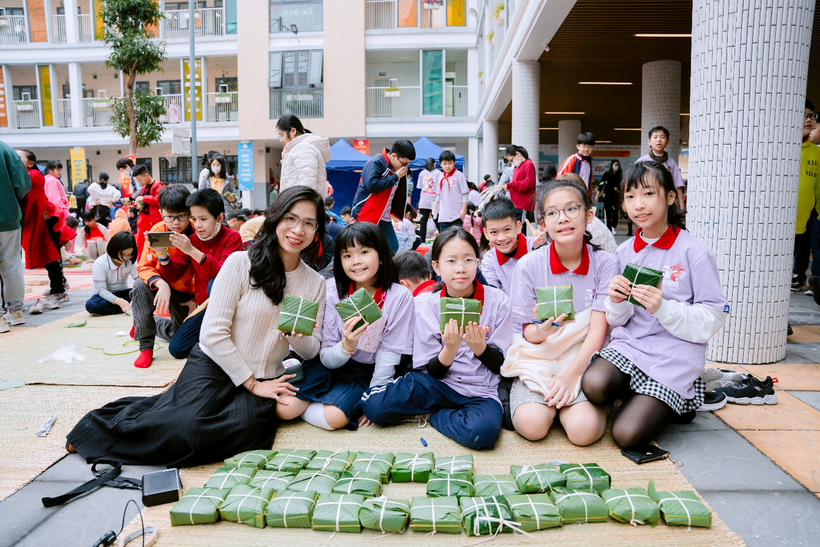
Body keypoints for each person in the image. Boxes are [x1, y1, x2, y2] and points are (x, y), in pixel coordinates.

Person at [66, 186, 328, 467]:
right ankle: (98, 430)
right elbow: (213, 334)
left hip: (266, 377)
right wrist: (251, 384)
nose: (298, 229)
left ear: (316, 230)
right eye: (291, 218)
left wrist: (294, 335)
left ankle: (168, 405)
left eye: (309, 222)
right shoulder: (241, 263)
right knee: (183, 430)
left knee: (246, 435)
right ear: (276, 219)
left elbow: (311, 349)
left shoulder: (315, 283)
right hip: (216, 364)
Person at [582, 161, 728, 449]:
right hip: (632, 346)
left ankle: (677, 399)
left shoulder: (694, 251)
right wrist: (615, 301)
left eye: (649, 194)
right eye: (631, 196)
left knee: (626, 436)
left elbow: (713, 316)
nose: (639, 205)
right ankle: (649, 396)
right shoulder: (624, 252)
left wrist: (663, 308)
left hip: (674, 357)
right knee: (594, 385)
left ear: (670, 197)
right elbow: (619, 320)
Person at [362, 227, 510, 450]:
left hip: (481, 390)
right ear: (436, 267)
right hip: (437, 384)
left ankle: (434, 415)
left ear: (477, 262)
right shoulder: (424, 304)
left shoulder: (498, 301)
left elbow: (502, 366)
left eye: (468, 260)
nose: (460, 268)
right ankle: (435, 407)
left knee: (482, 435)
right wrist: (449, 349)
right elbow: (432, 371)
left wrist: (479, 347)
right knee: (375, 407)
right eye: (451, 261)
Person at [503, 179, 616, 444]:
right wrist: (541, 330)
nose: (562, 219)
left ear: (589, 215)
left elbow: (598, 329)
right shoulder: (528, 265)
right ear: (543, 224)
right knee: (532, 426)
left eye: (571, 209)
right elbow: (526, 333)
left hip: (584, 357)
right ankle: (546, 404)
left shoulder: (605, 263)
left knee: (583, 432)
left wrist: (569, 377)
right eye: (552, 213)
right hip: (540, 356)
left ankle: (568, 405)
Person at [279, 222, 414, 430]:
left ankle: (333, 404)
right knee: (284, 409)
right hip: (328, 362)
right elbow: (325, 357)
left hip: (366, 371)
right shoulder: (331, 290)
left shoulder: (400, 296)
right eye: (347, 255)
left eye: (364, 251)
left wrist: (373, 397)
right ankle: (321, 402)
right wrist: (347, 345)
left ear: (381, 254)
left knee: (335, 419)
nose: (356, 262)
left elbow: (389, 355)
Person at [157, 189, 244, 359]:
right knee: (177, 349)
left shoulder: (232, 237)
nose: (197, 225)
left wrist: (193, 251)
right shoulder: (193, 240)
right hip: (205, 308)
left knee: (214, 284)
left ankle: (213, 338)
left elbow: (224, 274)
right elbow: (173, 275)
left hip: (231, 307)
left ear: (219, 217)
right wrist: (162, 255)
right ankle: (161, 325)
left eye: (203, 219)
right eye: (194, 219)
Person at [131, 185, 194, 369]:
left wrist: (196, 300)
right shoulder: (157, 230)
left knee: (179, 341)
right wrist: (160, 283)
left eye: (182, 216)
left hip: (186, 292)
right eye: (170, 216)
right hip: (161, 285)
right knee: (139, 286)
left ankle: (145, 322)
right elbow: (143, 266)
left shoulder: (196, 230)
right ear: (161, 213)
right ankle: (145, 346)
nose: (176, 222)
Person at [17, 149, 71, 315]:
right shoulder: (37, 176)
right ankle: (60, 284)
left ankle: (59, 292)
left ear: (30, 163)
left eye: (18, 157)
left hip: (47, 219)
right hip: (39, 220)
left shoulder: (33, 175)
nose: (14, 160)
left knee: (51, 256)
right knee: (49, 256)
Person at [352, 140, 416, 253]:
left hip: (384, 216)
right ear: (394, 156)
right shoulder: (376, 162)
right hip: (367, 214)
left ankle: (380, 268)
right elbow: (372, 185)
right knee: (365, 248)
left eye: (408, 164)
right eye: (404, 163)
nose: (405, 167)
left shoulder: (397, 170)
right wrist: (395, 177)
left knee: (392, 247)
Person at [0, 141, 31, 333]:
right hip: (8, 217)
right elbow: (22, 184)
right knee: (11, 264)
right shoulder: (5, 150)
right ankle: (16, 312)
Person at [480, 197, 533, 293]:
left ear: (518, 227)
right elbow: (490, 291)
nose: (501, 238)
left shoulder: (534, 247)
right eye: (494, 232)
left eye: (507, 229)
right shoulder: (490, 258)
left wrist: (540, 247)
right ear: (486, 234)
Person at [794, 101, 820, 295]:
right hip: (781, 219)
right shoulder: (781, 148)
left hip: (808, 216)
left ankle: (805, 279)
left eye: (811, 116)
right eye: (805, 116)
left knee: (808, 247)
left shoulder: (816, 153)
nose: (809, 120)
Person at [85, 231, 138, 316]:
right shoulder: (100, 263)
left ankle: (125, 306)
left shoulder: (130, 261)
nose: (125, 258)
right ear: (113, 249)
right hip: (102, 296)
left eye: (128, 254)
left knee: (145, 293)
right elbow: (102, 290)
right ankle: (128, 306)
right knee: (91, 305)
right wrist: (118, 301)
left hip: (123, 293)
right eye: (122, 254)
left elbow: (139, 280)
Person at [277, 114, 331, 196]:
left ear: (293, 131)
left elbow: (308, 183)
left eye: (281, 135)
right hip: (297, 204)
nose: (281, 140)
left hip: (300, 206)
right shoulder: (299, 148)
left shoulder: (304, 148)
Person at [635, 126, 686, 210]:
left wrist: (682, 207)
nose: (659, 140)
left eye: (662, 137)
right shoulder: (641, 161)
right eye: (655, 137)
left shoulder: (671, 162)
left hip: (666, 203)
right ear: (649, 142)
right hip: (647, 202)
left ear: (667, 142)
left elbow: (678, 186)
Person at [133, 165, 165, 260]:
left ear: (146, 175)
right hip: (143, 219)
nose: (140, 182)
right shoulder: (144, 187)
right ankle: (141, 263)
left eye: (140, 180)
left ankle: (156, 262)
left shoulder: (158, 185)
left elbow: (159, 200)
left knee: (155, 243)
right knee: (140, 243)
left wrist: (143, 198)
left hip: (154, 220)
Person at [501, 145, 537, 230]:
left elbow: (529, 183)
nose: (512, 162)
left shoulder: (528, 164)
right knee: (517, 229)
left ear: (517, 154)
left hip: (522, 204)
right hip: (518, 204)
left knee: (519, 229)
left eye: (511, 160)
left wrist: (511, 185)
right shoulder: (521, 165)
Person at [435, 150, 468, 233]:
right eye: (445, 163)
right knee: (444, 240)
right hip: (443, 215)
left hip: (457, 215)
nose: (447, 166)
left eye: (450, 163)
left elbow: (465, 193)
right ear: (441, 164)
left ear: (454, 163)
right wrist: (436, 205)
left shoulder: (459, 175)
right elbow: (438, 193)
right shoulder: (440, 176)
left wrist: (463, 209)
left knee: (456, 240)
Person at [416, 158, 440, 239]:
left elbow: (419, 187)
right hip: (435, 200)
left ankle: (422, 240)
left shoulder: (422, 173)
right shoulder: (439, 173)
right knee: (436, 220)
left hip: (424, 200)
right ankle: (442, 238)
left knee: (423, 221)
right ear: (434, 164)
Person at [599, 160, 622, 234]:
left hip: (616, 196)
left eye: (617, 165)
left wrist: (619, 189)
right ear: (612, 165)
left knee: (615, 213)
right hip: (608, 196)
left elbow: (623, 185)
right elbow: (601, 185)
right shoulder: (606, 175)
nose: (616, 166)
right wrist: (598, 194)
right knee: (608, 213)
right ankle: (608, 229)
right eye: (615, 164)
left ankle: (613, 226)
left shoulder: (620, 175)